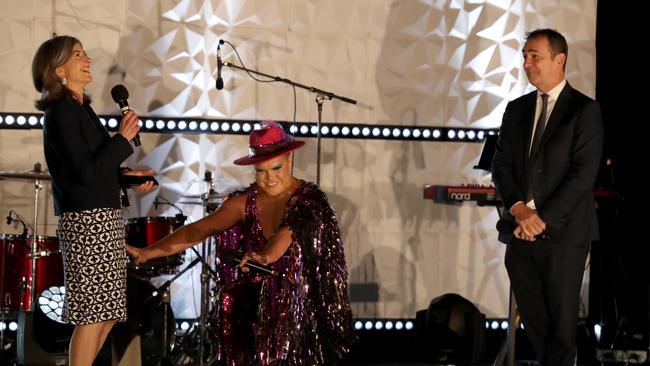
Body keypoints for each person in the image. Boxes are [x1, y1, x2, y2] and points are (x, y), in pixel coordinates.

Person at [126, 120, 355, 365]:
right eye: (261, 171)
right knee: (230, 299)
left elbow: (285, 235)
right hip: (258, 301)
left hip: (300, 304)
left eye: (276, 168)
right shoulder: (246, 202)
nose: (269, 179)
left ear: (289, 159)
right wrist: (148, 252)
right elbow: (200, 229)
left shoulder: (308, 202)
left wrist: (263, 257)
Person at [32, 35, 155, 366]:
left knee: (109, 312)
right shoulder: (60, 114)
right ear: (58, 70)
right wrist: (122, 139)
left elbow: (96, 168)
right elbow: (83, 173)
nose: (86, 59)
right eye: (77, 55)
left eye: (85, 53)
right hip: (86, 222)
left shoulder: (80, 109)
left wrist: (128, 177)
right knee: (92, 315)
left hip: (103, 218)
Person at [492, 28, 604, 365]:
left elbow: (582, 175)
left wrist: (542, 218)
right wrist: (519, 210)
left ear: (560, 59)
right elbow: (501, 164)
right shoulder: (516, 109)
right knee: (535, 321)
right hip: (521, 234)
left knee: (560, 322)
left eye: (534, 55)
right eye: (524, 55)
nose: (527, 63)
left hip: (564, 234)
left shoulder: (584, 111)